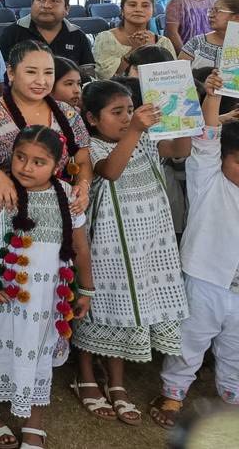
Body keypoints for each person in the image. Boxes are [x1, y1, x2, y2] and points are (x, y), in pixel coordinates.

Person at [0, 126, 94, 448]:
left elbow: (80, 247)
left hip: (46, 301)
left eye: (39, 162)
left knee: (39, 357)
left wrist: (86, 291)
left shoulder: (67, 196)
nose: (26, 166)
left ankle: (34, 422)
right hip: (0, 297)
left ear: (57, 164)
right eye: (21, 157)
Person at [73, 79, 190, 424]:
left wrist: (185, 113)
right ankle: (86, 377)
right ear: (92, 119)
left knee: (130, 313)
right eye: (117, 112)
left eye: (129, 110)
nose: (126, 117)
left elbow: (180, 148)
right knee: (99, 312)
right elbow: (111, 171)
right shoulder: (91, 147)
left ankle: (118, 383)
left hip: (148, 246)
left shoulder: (147, 140)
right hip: (108, 248)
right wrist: (135, 129)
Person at [151, 71, 239, 427]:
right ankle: (173, 393)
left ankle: (231, 395)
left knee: (235, 348)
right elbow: (207, 138)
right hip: (205, 276)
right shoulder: (208, 178)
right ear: (223, 159)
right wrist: (213, 94)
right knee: (191, 339)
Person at [0, 41, 93, 212]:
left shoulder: (68, 113)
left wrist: (83, 185)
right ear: (11, 73)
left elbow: (83, 161)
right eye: (31, 72)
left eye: (48, 73)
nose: (41, 81)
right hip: (1, 210)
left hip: (58, 210)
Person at [0, 0, 95, 70]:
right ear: (32, 3)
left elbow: (87, 76)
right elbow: (0, 73)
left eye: (54, 0)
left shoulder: (78, 37)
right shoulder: (12, 33)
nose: (46, 5)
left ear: (67, 9)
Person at [91, 0, 176, 79]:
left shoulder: (163, 43)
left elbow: (173, 77)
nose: (138, 10)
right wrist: (135, 49)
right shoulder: (105, 38)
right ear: (122, 10)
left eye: (145, 5)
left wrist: (153, 50)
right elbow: (105, 77)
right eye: (132, 5)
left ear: (152, 11)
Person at [180, 0, 239, 68]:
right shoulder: (197, 43)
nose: (211, 15)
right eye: (211, 10)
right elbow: (179, 77)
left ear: (236, 17)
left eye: (217, 11)